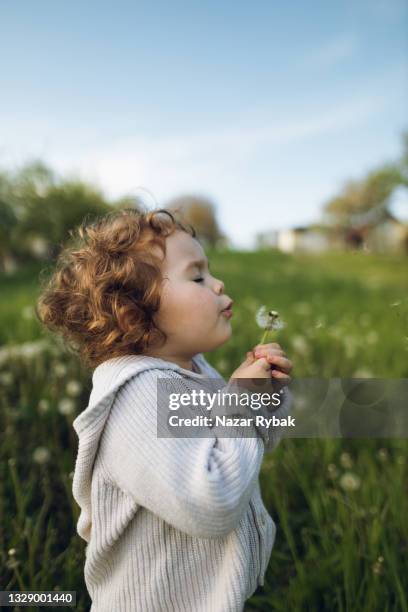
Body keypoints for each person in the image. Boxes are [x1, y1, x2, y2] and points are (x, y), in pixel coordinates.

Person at [36, 207, 293, 612]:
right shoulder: (135, 399)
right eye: (197, 276)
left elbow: (241, 450)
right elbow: (214, 503)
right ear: (133, 312)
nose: (218, 282)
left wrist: (265, 396)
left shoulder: (192, 370)